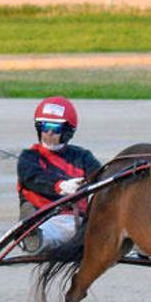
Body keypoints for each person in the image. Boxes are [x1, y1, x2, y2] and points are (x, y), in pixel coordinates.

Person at [17, 96, 101, 253]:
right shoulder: (29, 156)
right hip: (44, 218)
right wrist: (61, 186)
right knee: (52, 232)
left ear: (68, 131)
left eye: (55, 128)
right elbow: (33, 179)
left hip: (81, 220)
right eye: (44, 126)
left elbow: (100, 178)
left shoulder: (83, 157)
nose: (48, 133)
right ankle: (31, 236)